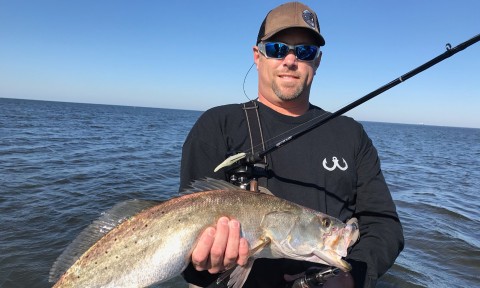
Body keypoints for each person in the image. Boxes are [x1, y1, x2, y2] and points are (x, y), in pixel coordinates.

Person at [179, 2, 404, 287]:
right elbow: (188, 240)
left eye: (304, 51)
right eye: (277, 48)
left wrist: (352, 277)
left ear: (317, 61)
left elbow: (383, 225)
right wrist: (204, 263)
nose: (290, 60)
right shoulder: (217, 125)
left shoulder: (351, 134)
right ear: (257, 55)